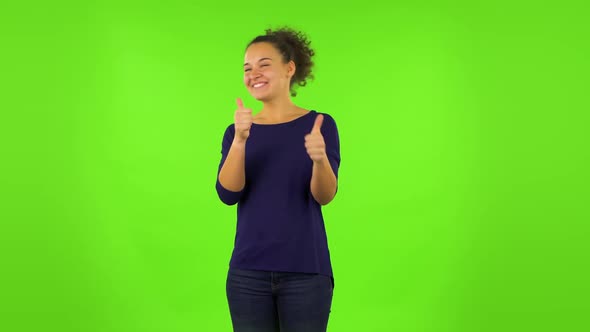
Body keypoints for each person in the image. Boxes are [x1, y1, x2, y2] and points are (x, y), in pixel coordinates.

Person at [215, 27, 341, 332]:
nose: (253, 73)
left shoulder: (319, 125)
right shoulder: (237, 130)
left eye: (264, 64)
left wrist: (320, 159)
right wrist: (241, 141)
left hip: (306, 273)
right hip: (248, 275)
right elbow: (227, 194)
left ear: (289, 68)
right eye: (247, 68)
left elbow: (324, 196)